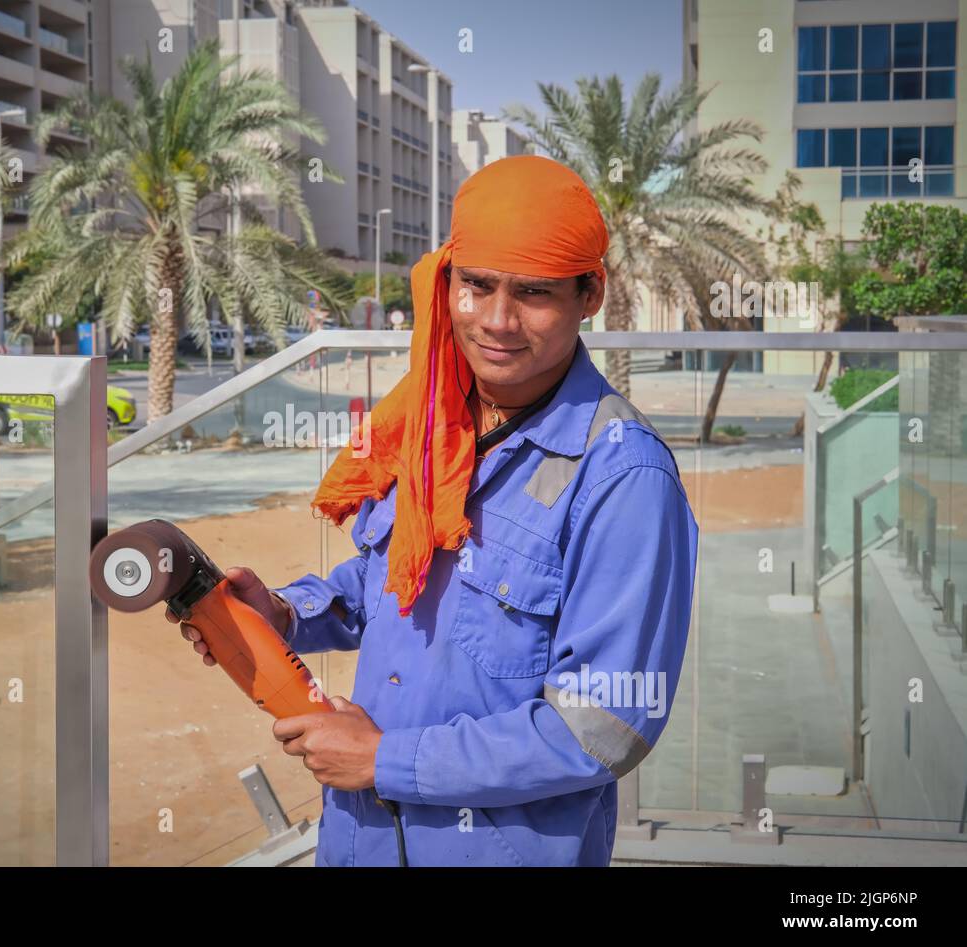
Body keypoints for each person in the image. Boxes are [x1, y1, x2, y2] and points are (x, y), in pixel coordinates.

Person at [169, 155, 699, 866]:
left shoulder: (624, 478)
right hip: (359, 842)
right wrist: (288, 614)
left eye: (534, 293)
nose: (498, 321)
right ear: (447, 281)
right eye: (476, 286)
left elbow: (604, 728)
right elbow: (394, 580)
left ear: (590, 294)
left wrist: (387, 760)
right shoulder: (431, 421)